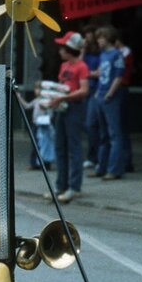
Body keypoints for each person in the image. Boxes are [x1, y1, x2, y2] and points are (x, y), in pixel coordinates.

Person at [47, 32, 89, 203]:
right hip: (62, 107)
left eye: (63, 47)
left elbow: (84, 90)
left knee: (74, 148)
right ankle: (61, 186)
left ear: (70, 49)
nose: (60, 50)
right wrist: (51, 98)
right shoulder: (64, 66)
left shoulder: (81, 67)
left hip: (74, 108)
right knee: (60, 147)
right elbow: (61, 86)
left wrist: (63, 98)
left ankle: (74, 187)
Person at [90, 25, 125, 181]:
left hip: (109, 97)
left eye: (101, 38)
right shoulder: (103, 54)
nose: (98, 41)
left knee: (114, 134)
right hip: (100, 95)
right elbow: (100, 73)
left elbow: (118, 76)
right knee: (103, 134)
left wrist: (110, 93)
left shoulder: (117, 54)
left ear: (108, 38)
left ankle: (114, 169)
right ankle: (101, 167)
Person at [16, 81, 55, 171]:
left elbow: (51, 114)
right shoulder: (36, 100)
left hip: (44, 126)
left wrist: (45, 110)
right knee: (35, 144)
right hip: (35, 125)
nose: (37, 91)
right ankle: (34, 164)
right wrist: (19, 98)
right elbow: (27, 106)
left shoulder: (47, 101)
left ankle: (46, 164)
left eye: (39, 89)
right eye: (36, 89)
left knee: (45, 144)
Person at [81, 25, 101, 170]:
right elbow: (79, 65)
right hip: (86, 89)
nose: (88, 39)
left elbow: (99, 72)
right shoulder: (85, 51)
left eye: (90, 36)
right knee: (87, 125)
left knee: (92, 124)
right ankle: (92, 157)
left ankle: (97, 157)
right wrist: (83, 49)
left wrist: (86, 73)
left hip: (96, 89)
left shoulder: (101, 53)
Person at [115, 35, 134, 172]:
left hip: (121, 88)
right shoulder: (119, 53)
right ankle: (123, 160)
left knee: (121, 127)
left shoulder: (124, 53)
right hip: (118, 88)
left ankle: (126, 161)